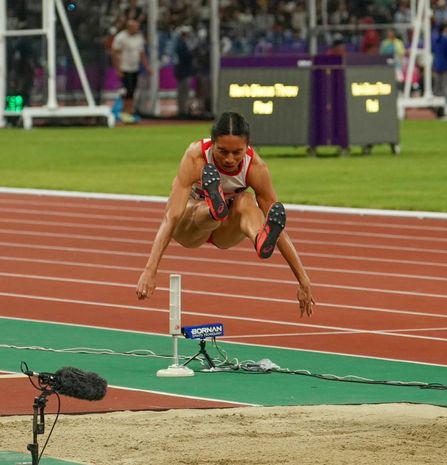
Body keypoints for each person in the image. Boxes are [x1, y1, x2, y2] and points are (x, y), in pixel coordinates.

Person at [136, 112, 315, 317]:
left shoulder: (255, 167)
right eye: (222, 151)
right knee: (196, 208)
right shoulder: (196, 156)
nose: (230, 159)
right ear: (212, 144)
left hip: (226, 232)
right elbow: (171, 217)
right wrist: (150, 270)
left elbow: (279, 229)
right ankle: (213, 209)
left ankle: (260, 239)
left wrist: (303, 280)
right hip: (190, 229)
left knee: (246, 201)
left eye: (237, 152)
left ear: (247, 147)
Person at [111, 19, 151, 122]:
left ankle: (128, 112)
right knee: (127, 91)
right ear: (129, 27)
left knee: (132, 91)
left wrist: (147, 67)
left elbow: (142, 54)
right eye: (135, 27)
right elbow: (115, 53)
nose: (137, 29)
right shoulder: (121, 37)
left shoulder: (139, 37)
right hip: (125, 68)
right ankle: (123, 112)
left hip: (135, 68)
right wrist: (118, 68)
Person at [174, 25, 195, 117]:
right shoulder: (181, 44)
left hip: (183, 71)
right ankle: (183, 110)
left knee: (183, 91)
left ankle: (183, 109)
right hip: (183, 71)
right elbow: (184, 58)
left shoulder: (183, 43)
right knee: (183, 91)